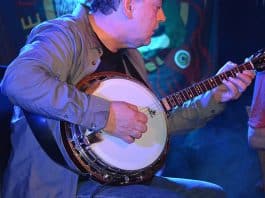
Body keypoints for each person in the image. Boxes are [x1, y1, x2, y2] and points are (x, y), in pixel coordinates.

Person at [0, 0, 255, 197]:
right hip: (65, 186)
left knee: (210, 193)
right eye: (156, 7)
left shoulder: (130, 56)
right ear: (130, 5)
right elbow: (18, 80)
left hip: (116, 181)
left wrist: (214, 97)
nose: (162, 16)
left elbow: (150, 122)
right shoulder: (64, 34)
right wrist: (107, 115)